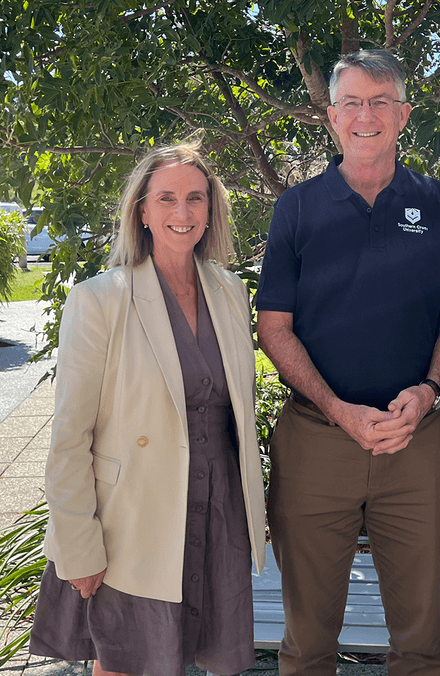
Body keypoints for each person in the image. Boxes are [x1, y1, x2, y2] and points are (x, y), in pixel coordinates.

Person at [256, 49, 440, 676]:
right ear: (331, 117)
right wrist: (337, 408)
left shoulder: (437, 203)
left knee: (420, 642)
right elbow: (273, 328)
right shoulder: (297, 208)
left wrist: (430, 390)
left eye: (380, 100)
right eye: (351, 101)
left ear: (404, 114)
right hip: (317, 441)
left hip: (417, 440)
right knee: (306, 641)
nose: (366, 114)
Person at [29, 138, 266, 676]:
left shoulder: (229, 290)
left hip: (216, 508)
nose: (182, 213)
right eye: (166, 199)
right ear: (141, 210)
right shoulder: (100, 299)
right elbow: (69, 436)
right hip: (132, 520)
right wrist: (78, 544)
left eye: (195, 198)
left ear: (211, 208)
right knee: (127, 664)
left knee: (198, 656)